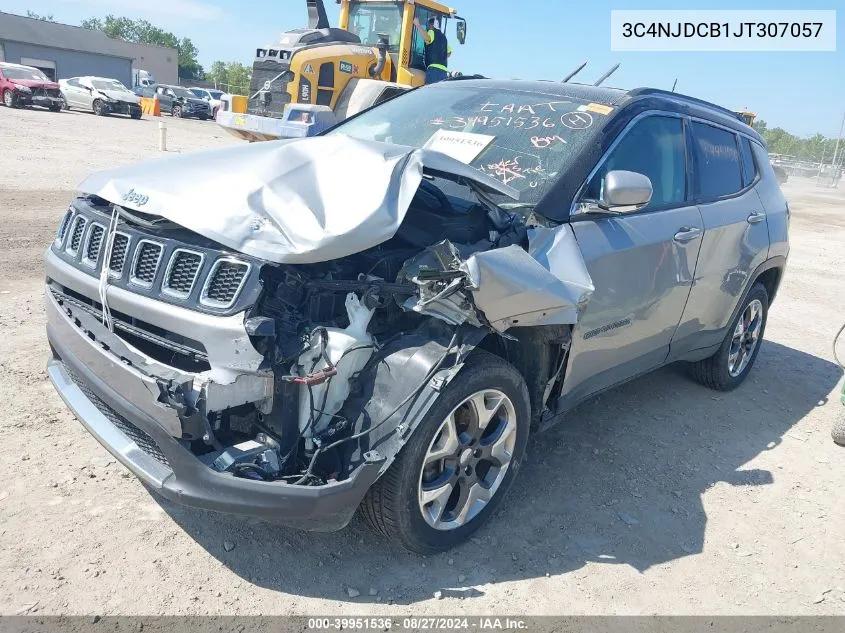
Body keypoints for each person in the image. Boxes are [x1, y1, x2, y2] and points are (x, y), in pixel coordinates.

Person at [413, 15, 452, 84]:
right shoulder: (443, 37)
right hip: (443, 71)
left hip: (434, 70)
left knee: (429, 91)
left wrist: (417, 25)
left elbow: (427, 38)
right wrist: (440, 56)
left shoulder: (432, 32)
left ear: (431, 25)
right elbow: (449, 52)